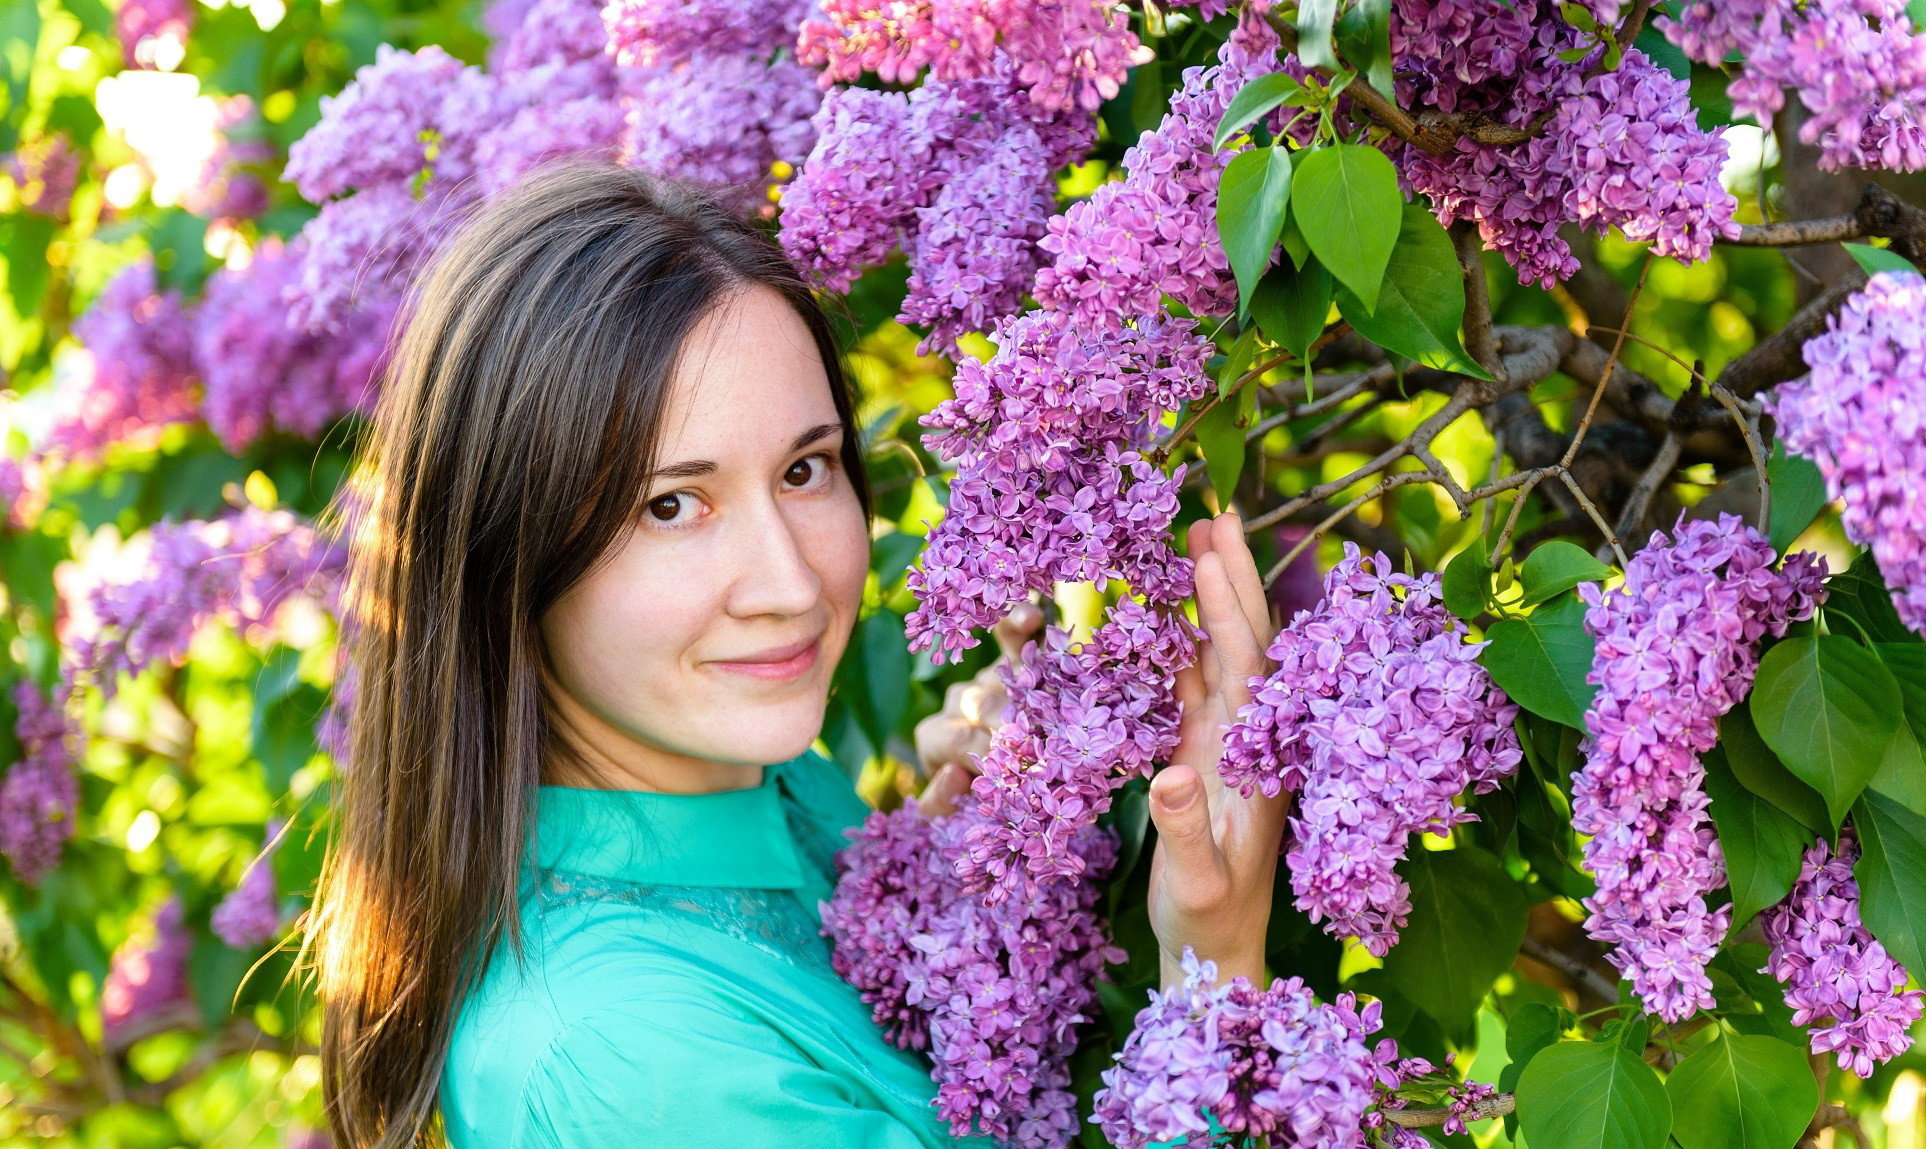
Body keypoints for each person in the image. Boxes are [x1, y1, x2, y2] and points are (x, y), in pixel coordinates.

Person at [303, 160, 1285, 1148]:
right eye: (671, 505)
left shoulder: (770, 785)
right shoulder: (628, 1066)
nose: (790, 585)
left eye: (805, 469)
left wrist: (932, 863)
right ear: (506, 558)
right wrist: (1214, 963)